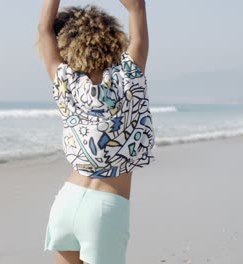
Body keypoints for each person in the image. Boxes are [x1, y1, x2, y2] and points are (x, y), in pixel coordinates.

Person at [37, 1, 156, 263]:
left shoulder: (65, 82)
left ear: (65, 45)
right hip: (105, 209)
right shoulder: (128, 78)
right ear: (112, 39)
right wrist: (136, 10)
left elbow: (44, 29)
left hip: (67, 201)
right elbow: (138, 24)